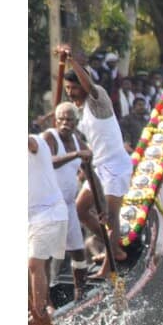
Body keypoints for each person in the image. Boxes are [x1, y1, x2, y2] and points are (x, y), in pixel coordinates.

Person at [62, 48, 133, 273]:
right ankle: (114, 249)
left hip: (116, 166)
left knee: (111, 217)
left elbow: (89, 85)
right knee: (81, 210)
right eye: (67, 89)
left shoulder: (98, 98)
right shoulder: (78, 111)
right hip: (98, 167)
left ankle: (108, 265)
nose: (71, 93)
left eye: (74, 88)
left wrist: (72, 61)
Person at [28, 131, 75, 325]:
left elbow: (30, 142)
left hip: (49, 215)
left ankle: (38, 311)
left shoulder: (35, 143)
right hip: (33, 217)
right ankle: (40, 306)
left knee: (35, 264)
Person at [43, 102, 92, 299]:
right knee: (45, 255)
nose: (64, 123)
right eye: (61, 119)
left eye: (69, 120)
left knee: (78, 251)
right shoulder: (49, 137)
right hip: (49, 205)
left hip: (68, 205)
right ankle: (45, 300)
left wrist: (102, 205)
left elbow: (90, 173)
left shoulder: (78, 141)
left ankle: (80, 291)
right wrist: (76, 154)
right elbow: (48, 162)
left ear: (76, 123)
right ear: (56, 121)